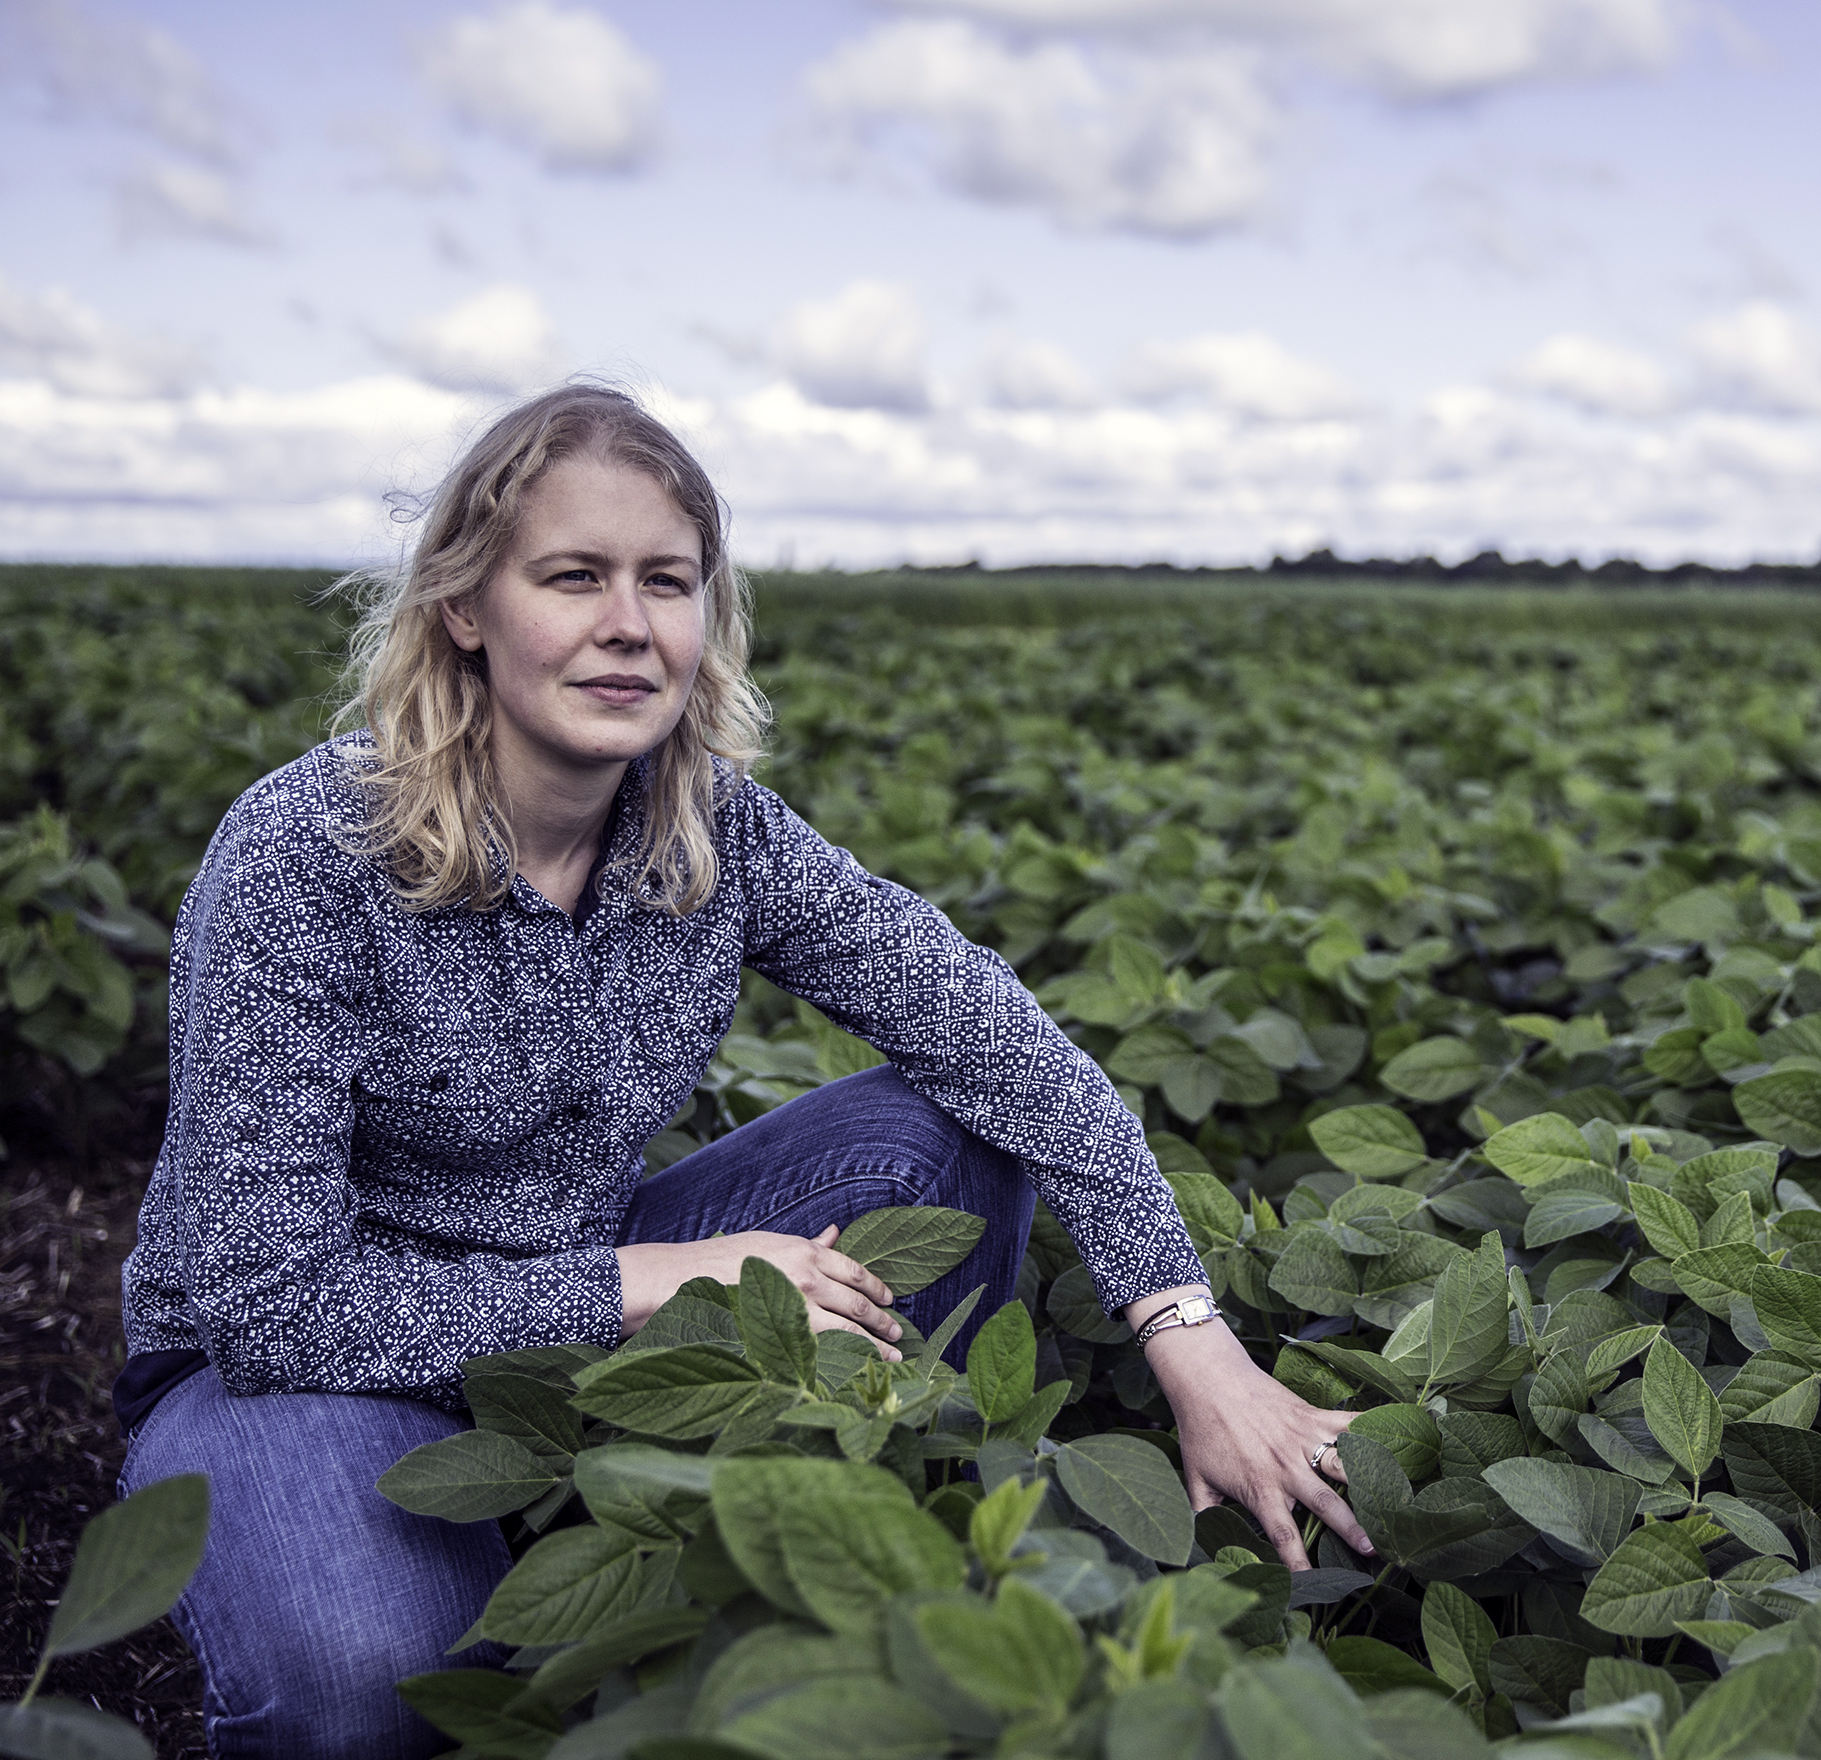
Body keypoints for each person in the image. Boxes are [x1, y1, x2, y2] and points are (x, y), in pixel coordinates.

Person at [112, 384, 1370, 1759]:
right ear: (467, 608)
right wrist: (650, 1283)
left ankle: (789, 1506)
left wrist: (1192, 1339)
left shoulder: (714, 835)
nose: (627, 626)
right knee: (380, 1676)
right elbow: (273, 1309)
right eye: (573, 576)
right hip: (289, 1374)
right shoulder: (306, 856)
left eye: (668, 581)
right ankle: (523, 1539)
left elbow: (1012, 1052)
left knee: (945, 1131)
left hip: (584, 1310)